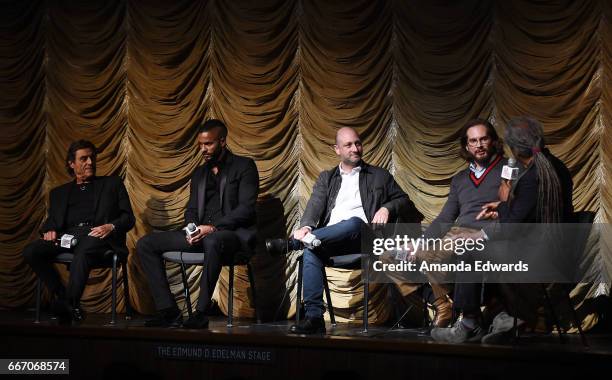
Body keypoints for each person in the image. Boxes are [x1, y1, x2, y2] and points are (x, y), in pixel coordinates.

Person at [431, 116, 570, 343]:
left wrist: (491, 220)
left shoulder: (530, 176)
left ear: (512, 148)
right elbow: (527, 212)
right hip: (543, 243)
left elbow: (513, 224)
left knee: (470, 250)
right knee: (465, 249)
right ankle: (500, 317)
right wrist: (503, 207)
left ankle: (471, 322)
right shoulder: (552, 166)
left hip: (532, 250)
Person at [268, 127, 411, 334]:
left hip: (365, 240)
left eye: (358, 143)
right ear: (337, 149)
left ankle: (293, 244)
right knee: (311, 250)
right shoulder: (327, 178)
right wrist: (306, 226)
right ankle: (314, 318)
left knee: (352, 222)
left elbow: (403, 200)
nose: (355, 148)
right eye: (348, 145)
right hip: (332, 241)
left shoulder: (379, 176)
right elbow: (314, 206)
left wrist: (386, 207)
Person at [137, 119, 259, 329]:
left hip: (231, 235)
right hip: (202, 234)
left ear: (222, 141)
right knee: (146, 244)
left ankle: (200, 312)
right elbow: (192, 209)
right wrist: (191, 228)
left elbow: (246, 209)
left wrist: (213, 227)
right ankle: (169, 311)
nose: (203, 149)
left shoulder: (244, 166)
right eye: (201, 145)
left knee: (212, 240)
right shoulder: (200, 173)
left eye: (208, 144)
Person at [22, 140, 135, 324]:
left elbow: (128, 218)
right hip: (68, 236)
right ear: (71, 164)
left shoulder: (112, 184)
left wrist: (110, 226)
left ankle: (70, 303)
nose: (90, 162)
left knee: (84, 248)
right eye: (83, 159)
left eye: (92, 158)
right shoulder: (59, 193)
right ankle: (64, 298)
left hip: (98, 234)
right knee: (31, 251)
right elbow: (53, 221)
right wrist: (49, 230)